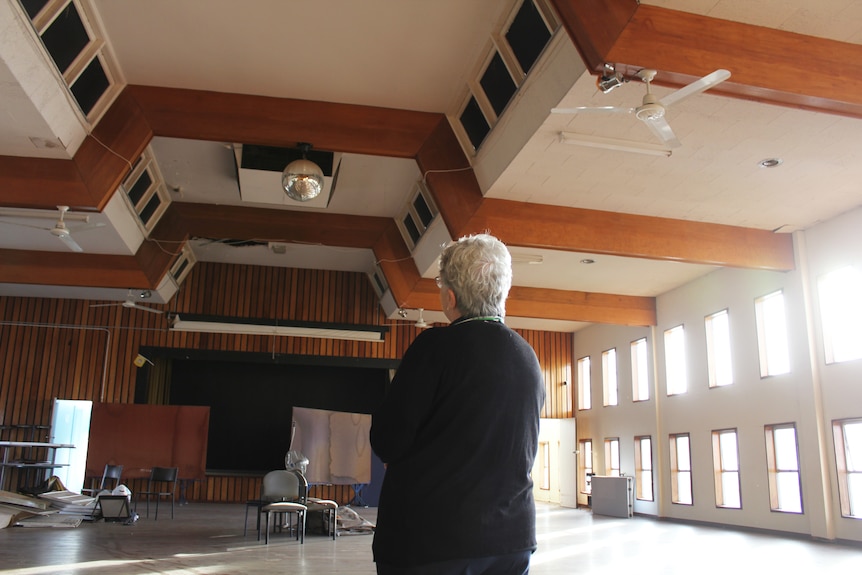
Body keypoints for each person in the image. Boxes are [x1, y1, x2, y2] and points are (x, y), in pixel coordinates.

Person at [370, 233, 545, 575]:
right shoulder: (528, 357)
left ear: (450, 297)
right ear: (502, 291)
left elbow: (388, 440)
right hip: (511, 539)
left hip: (433, 541)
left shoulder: (434, 349)